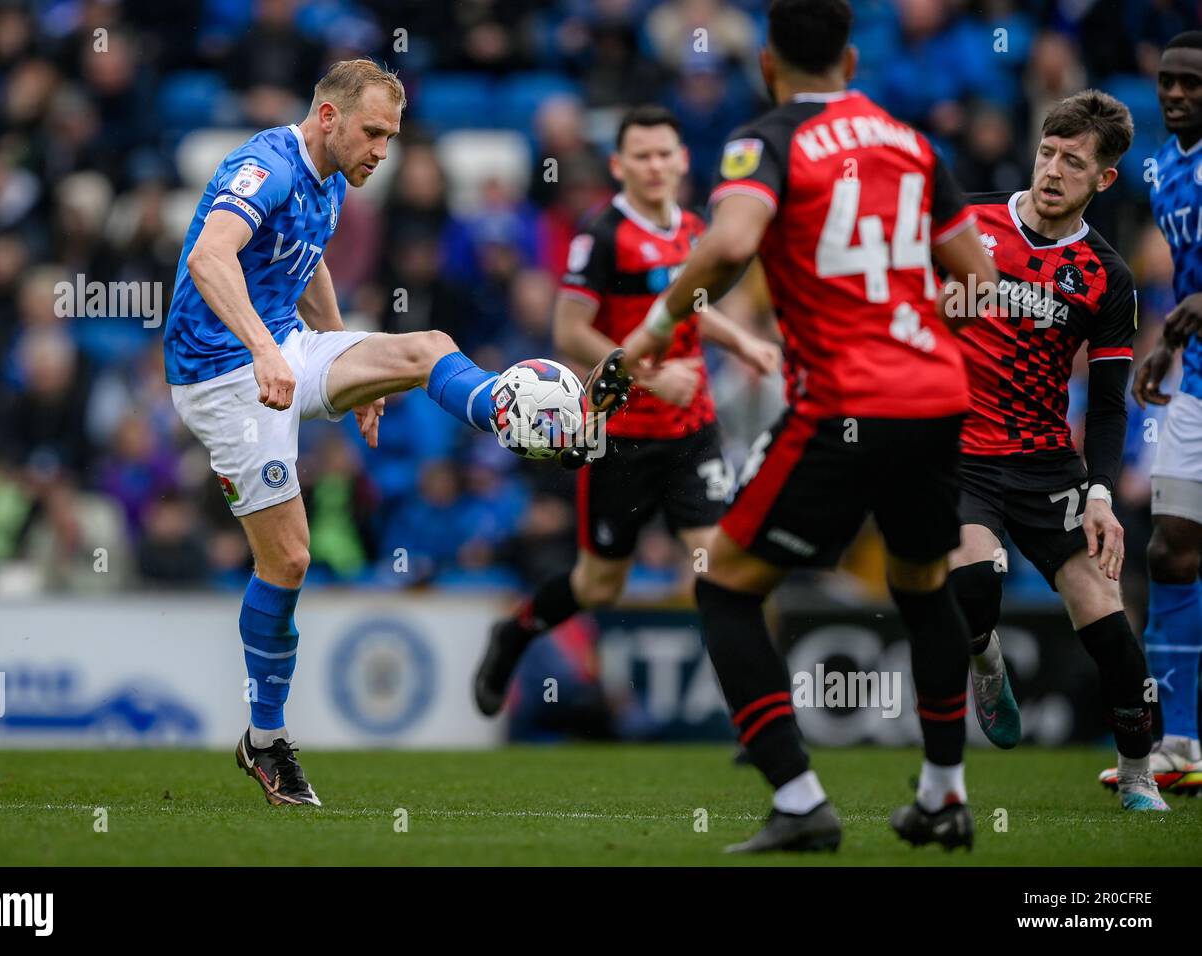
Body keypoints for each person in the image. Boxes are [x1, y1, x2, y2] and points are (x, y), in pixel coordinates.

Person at [164, 59, 627, 806]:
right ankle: (266, 738)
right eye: (373, 132)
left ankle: (517, 417)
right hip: (222, 377)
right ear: (327, 117)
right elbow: (209, 257)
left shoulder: (330, 181)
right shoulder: (265, 164)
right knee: (288, 562)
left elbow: (302, 266)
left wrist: (352, 365)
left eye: (393, 137)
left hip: (285, 349)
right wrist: (259, 348)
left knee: (425, 348)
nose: (382, 150)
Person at [621, 0, 997, 852]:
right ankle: (944, 795)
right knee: (921, 584)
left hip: (845, 403)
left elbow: (729, 245)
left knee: (722, 584)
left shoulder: (765, 140)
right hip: (936, 398)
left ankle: (798, 801)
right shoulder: (914, 144)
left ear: (766, 65)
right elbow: (977, 282)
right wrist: (915, 328)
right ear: (854, 60)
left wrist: (653, 326)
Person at [473, 105, 781, 718]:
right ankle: (515, 634)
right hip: (619, 438)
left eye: (665, 153)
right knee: (598, 585)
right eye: (641, 155)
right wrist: (648, 373)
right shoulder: (602, 236)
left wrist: (741, 340)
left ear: (683, 159)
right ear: (619, 165)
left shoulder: (695, 231)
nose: (656, 165)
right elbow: (569, 332)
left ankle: (761, 718)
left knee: (721, 569)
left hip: (692, 433)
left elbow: (689, 302)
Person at [945, 92, 1169, 811]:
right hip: (961, 456)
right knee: (973, 579)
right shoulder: (965, 223)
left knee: (1109, 627)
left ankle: (1137, 774)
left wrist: (1101, 492)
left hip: (1048, 465)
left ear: (1104, 179)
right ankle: (985, 660)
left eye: (1074, 162)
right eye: (1047, 152)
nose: (1052, 170)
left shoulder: (1107, 277)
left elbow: (1107, 404)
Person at [1116, 30, 1202, 795]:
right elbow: (1183, 291)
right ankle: (1178, 741)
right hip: (1196, 385)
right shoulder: (1167, 173)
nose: (1176, 95)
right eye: (1169, 82)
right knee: (1171, 549)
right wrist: (1165, 347)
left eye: (1192, 85)